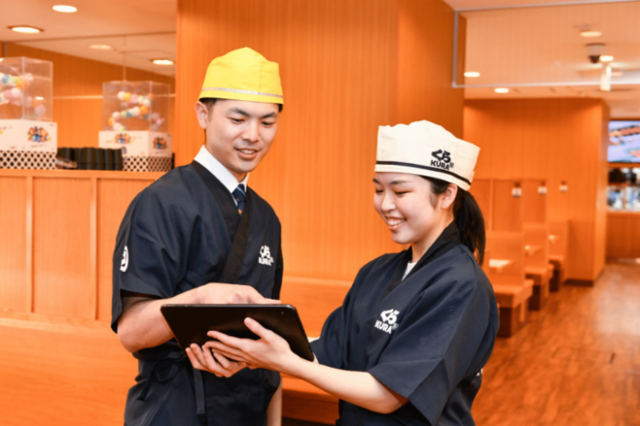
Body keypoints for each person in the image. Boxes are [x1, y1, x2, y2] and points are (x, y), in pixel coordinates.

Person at [202, 120, 500, 425]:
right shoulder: (377, 271)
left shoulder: (462, 284)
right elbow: (326, 352)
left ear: (448, 195)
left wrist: (284, 362)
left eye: (400, 191)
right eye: (378, 189)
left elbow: (388, 395)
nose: (385, 204)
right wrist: (249, 349)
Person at [111, 47, 286, 426]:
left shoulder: (266, 217)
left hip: (249, 406)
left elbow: (266, 329)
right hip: (177, 404)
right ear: (203, 114)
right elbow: (131, 331)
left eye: (267, 122)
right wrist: (201, 298)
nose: (253, 135)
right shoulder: (162, 202)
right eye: (237, 119)